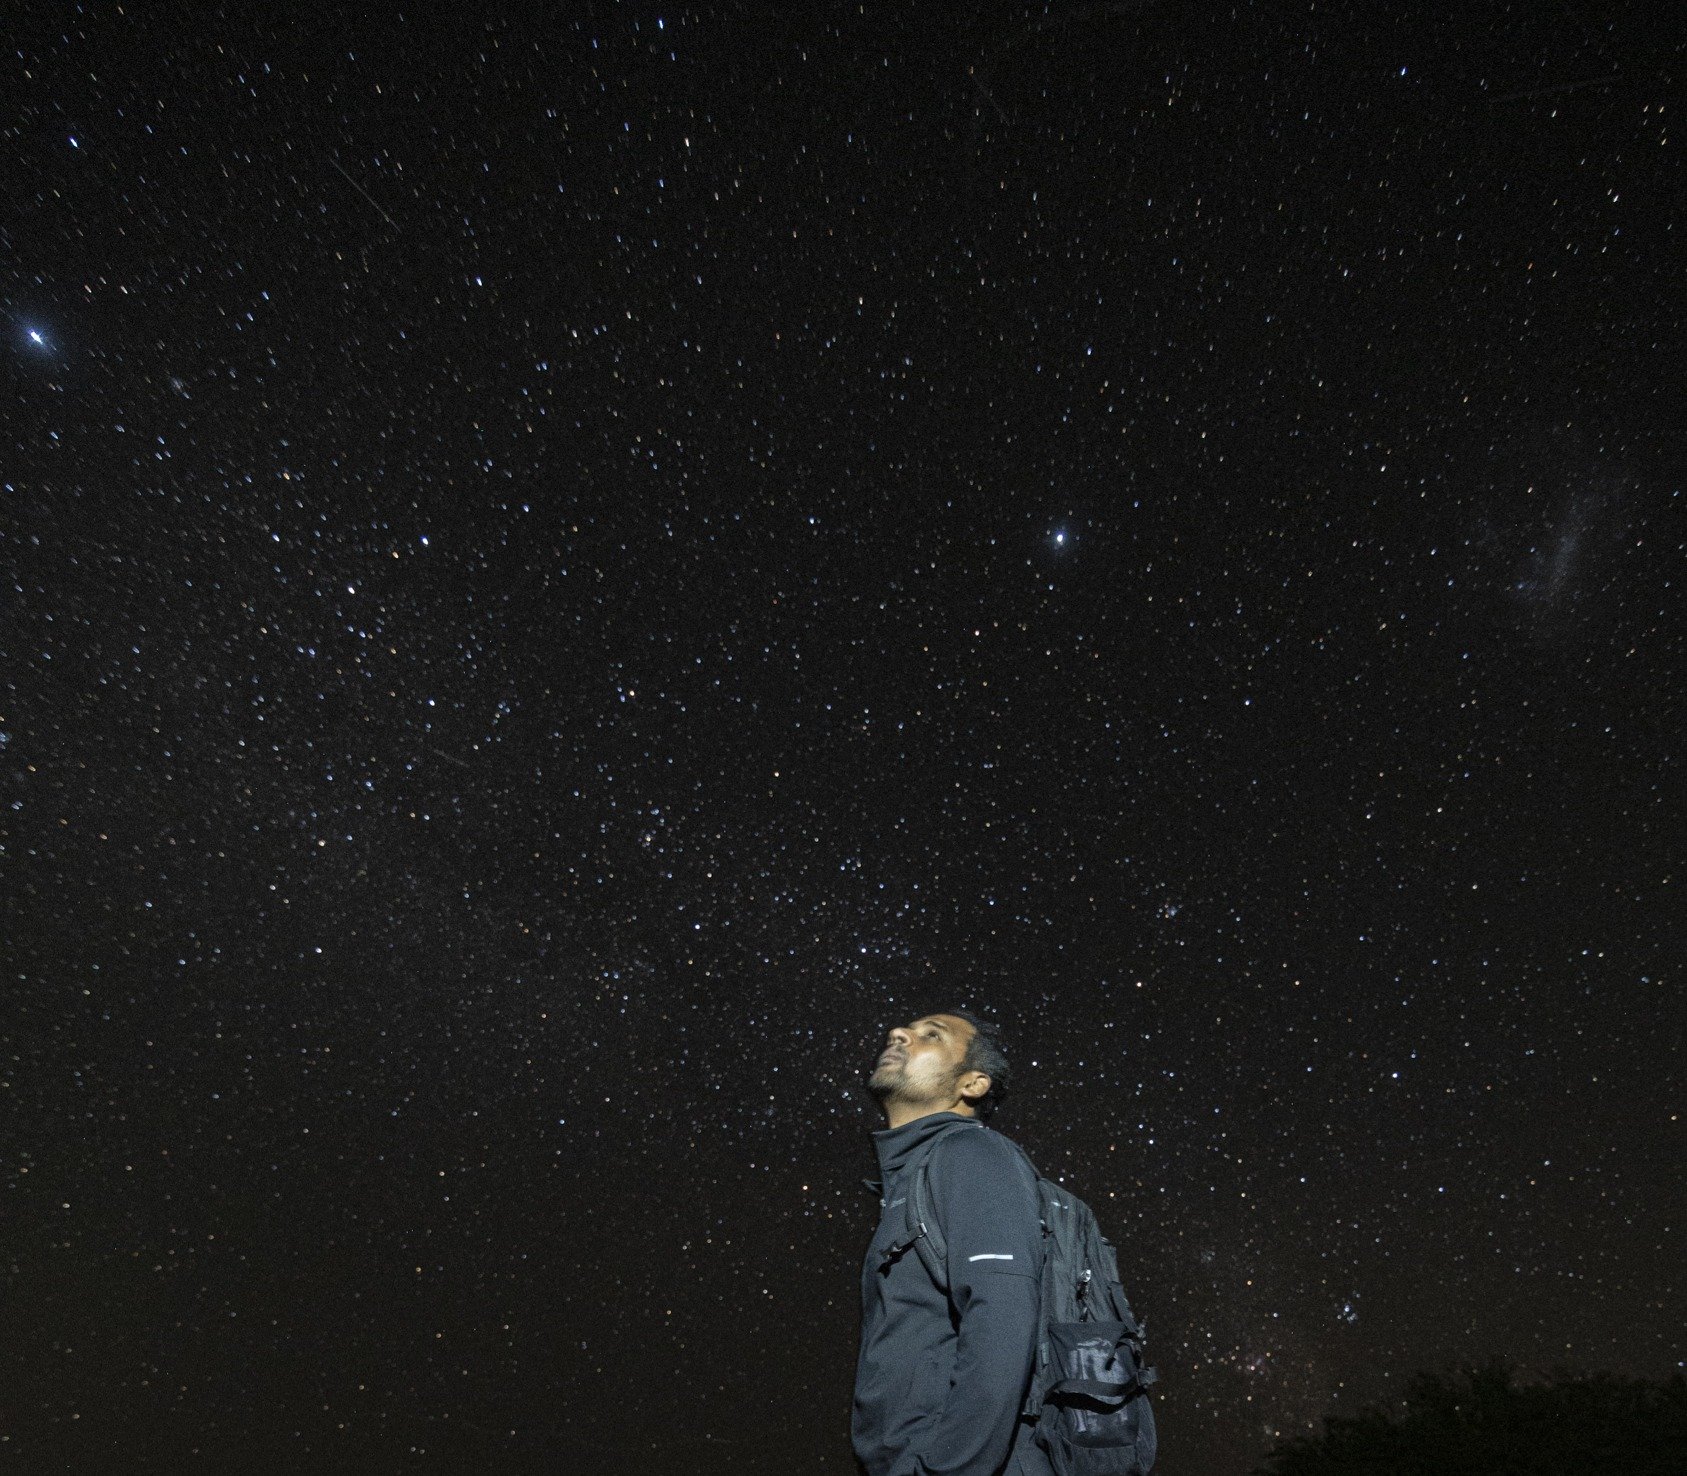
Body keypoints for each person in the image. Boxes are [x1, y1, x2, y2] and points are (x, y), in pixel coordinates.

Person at [853, 1009, 1056, 1476]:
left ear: (973, 1084)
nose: (897, 1034)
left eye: (931, 1036)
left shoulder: (972, 1154)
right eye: (903, 1030)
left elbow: (1002, 1317)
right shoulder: (916, 1175)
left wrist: (948, 1467)